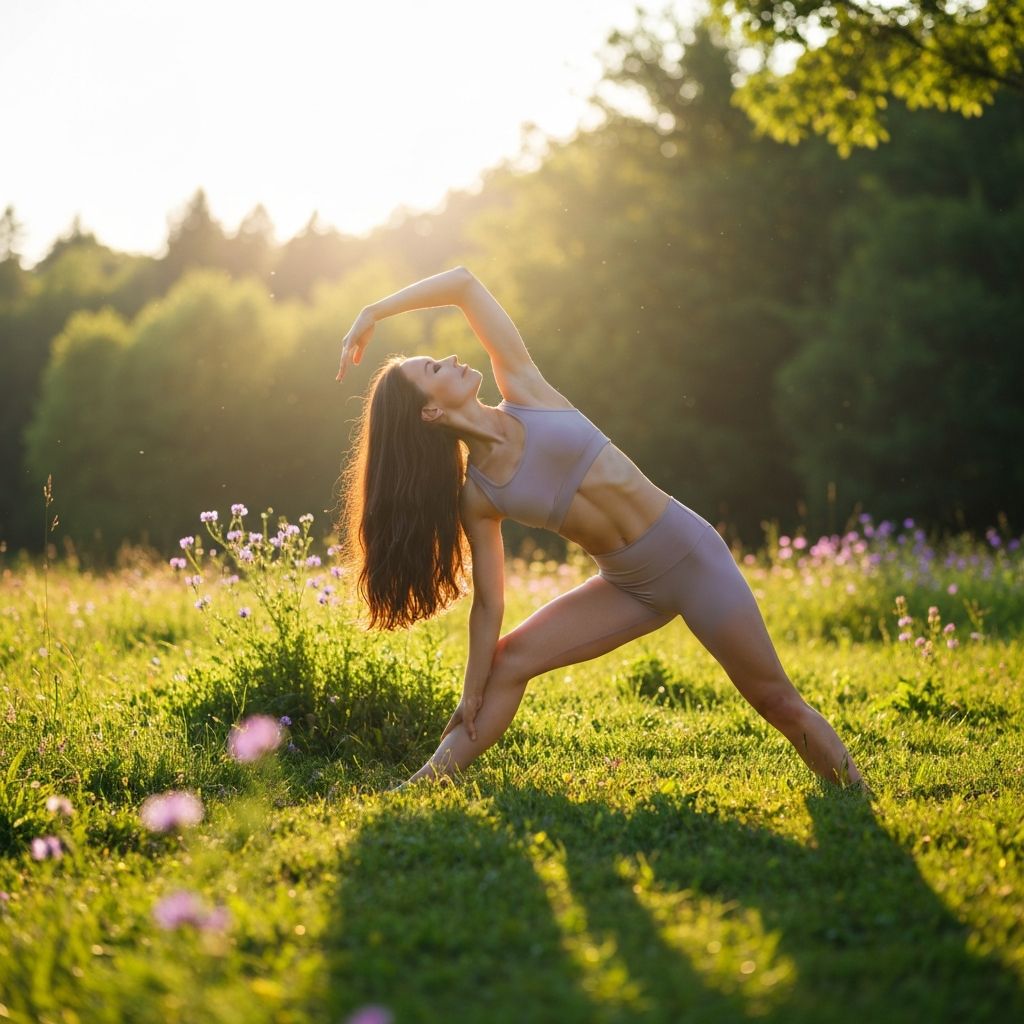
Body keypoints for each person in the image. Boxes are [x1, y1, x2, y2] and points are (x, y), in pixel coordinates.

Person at [335, 267, 864, 790]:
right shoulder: (479, 495)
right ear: (430, 412)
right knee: (508, 661)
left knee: (775, 700)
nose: (451, 359)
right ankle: (421, 787)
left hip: (690, 557)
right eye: (434, 368)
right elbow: (490, 603)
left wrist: (374, 311)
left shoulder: (525, 390)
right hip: (626, 586)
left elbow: (464, 285)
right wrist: (470, 689)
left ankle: (855, 795)